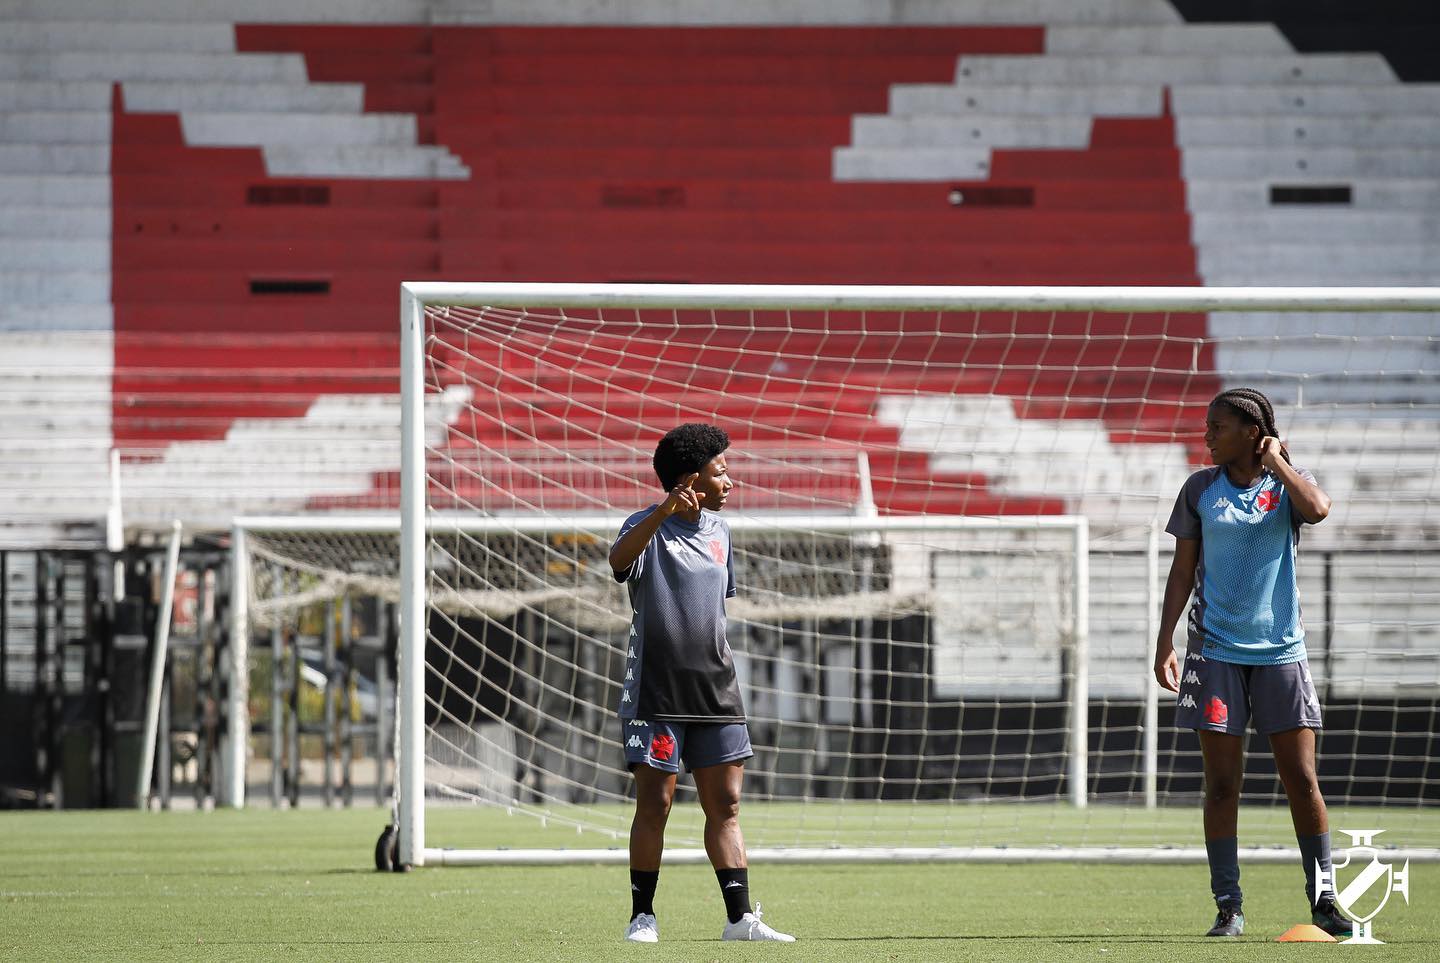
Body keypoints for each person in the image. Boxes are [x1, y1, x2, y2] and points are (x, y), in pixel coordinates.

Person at [1154, 387, 1351, 938]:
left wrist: (1278, 462)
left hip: (1281, 652)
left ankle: (1324, 901)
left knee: (1302, 779)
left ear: (1252, 433)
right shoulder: (1200, 489)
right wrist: (1165, 640)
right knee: (1221, 785)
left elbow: (1318, 509)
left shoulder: (1289, 482)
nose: (1207, 436)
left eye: (1218, 427)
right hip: (1214, 653)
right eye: (1207, 426)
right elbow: (1182, 570)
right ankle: (1229, 907)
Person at [608, 423, 795, 944]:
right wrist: (663, 511)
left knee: (727, 804)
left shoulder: (720, 531)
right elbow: (618, 562)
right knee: (656, 805)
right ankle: (642, 917)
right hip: (657, 691)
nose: (729, 481)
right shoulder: (644, 525)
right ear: (691, 479)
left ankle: (740, 919)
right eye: (721, 472)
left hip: (716, 690)